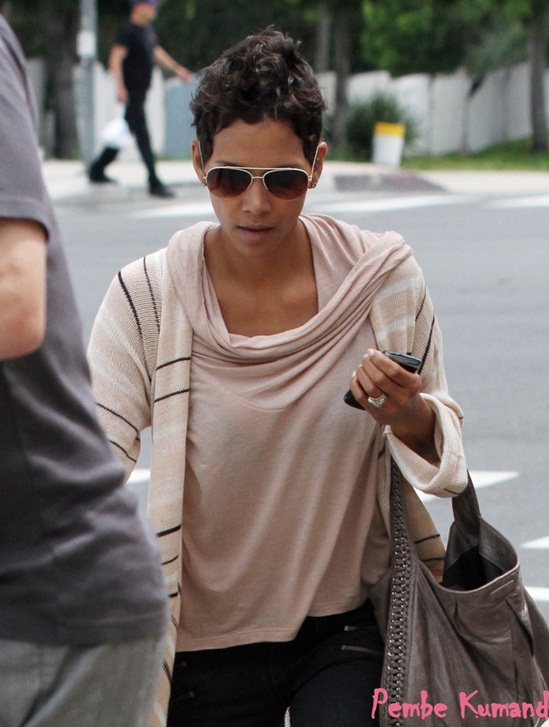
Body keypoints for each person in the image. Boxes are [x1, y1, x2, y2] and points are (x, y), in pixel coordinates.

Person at [87, 28, 468, 727]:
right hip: (201, 643)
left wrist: (406, 414)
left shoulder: (379, 281)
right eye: (230, 179)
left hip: (344, 626)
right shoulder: (147, 298)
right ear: (199, 163)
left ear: (316, 166)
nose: (255, 205)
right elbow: (90, 465)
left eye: (283, 180)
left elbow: (444, 457)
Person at [0, 14, 169, 727]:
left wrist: (140, 80)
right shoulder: (133, 33)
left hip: (51, 612)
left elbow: (14, 299)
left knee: (134, 138)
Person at [88, 0, 191, 198]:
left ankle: (96, 170)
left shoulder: (146, 30)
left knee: (125, 131)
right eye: (150, 5)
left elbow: (156, 51)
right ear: (138, 7)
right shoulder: (129, 31)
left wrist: (177, 69)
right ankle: (153, 181)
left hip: (141, 93)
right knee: (143, 136)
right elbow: (115, 59)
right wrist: (120, 88)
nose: (154, 9)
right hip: (132, 93)